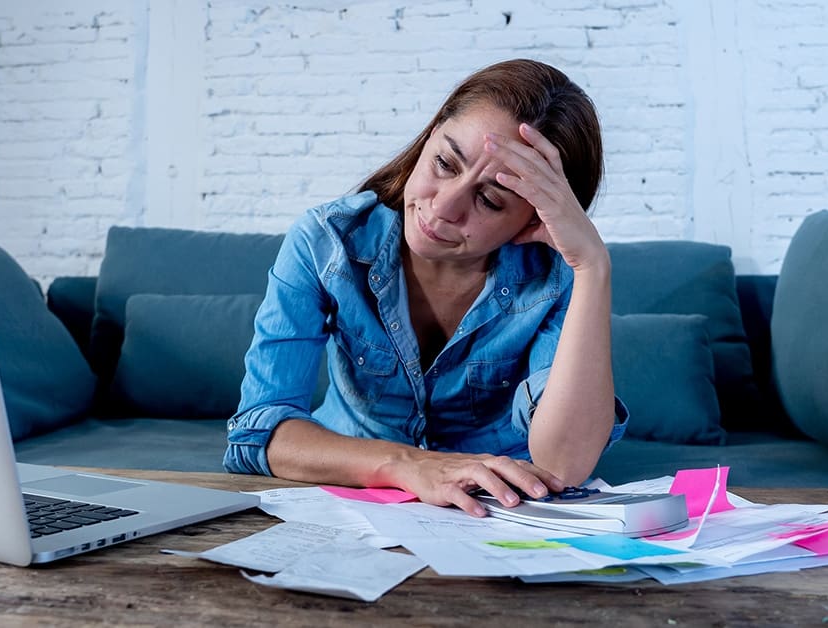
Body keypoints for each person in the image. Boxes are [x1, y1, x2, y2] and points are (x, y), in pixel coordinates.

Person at [224, 58, 627, 517]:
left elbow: (565, 464)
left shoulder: (555, 276)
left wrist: (592, 266)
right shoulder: (327, 242)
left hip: (495, 508)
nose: (444, 207)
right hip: (353, 492)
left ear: (534, 219)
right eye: (444, 163)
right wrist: (411, 466)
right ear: (429, 136)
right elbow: (257, 433)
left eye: (490, 200)